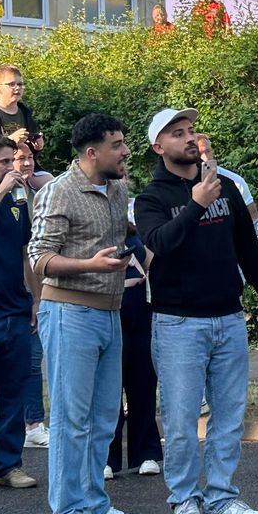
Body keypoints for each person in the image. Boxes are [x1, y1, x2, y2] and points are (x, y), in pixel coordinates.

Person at [135, 107, 258, 514]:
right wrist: (196, 204)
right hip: (178, 322)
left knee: (229, 417)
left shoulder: (224, 186)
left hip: (229, 317)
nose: (188, 138)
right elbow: (160, 242)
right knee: (181, 421)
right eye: (177, 133)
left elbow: (246, 244)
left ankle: (220, 496)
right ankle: (184, 498)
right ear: (158, 147)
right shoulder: (151, 198)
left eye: (190, 130)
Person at [29, 113, 143, 514]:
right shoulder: (59, 191)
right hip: (69, 314)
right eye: (117, 145)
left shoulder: (117, 188)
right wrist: (89, 265)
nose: (125, 151)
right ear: (92, 152)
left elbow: (121, 237)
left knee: (104, 418)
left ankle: (95, 506)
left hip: (111, 313)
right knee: (70, 419)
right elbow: (40, 258)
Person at [0, 134, 39, 492]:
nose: (12, 168)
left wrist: (35, 299)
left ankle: (7, 466)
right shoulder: (3, 194)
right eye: (4, 161)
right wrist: (3, 189)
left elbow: (25, 254)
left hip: (15, 310)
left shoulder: (16, 201)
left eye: (14, 161)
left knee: (12, 392)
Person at [106, 203, 161, 481]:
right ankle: (108, 456)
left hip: (140, 308)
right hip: (110, 307)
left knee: (143, 381)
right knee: (109, 385)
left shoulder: (134, 234)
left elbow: (152, 262)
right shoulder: (95, 236)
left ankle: (146, 452)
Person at [11, 141, 48, 450]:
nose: (27, 163)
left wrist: (37, 298)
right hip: (1, 297)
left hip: (30, 291)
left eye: (30, 157)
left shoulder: (35, 193)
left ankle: (34, 424)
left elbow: (29, 254)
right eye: (18, 158)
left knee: (33, 360)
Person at [0, 65, 51, 187]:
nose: (17, 88)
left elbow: (30, 150)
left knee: (51, 184)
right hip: (0, 171)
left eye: (20, 84)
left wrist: (37, 146)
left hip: (27, 167)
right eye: (11, 84)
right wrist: (10, 140)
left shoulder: (25, 112)